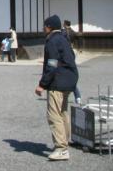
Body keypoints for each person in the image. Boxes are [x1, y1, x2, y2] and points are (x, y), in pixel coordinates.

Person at [35, 15, 78, 161]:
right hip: (70, 79)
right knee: (63, 112)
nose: (43, 28)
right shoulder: (64, 38)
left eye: (44, 25)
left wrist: (42, 84)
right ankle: (65, 140)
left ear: (49, 27)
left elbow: (52, 63)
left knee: (54, 115)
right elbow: (71, 57)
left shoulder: (52, 41)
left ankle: (61, 148)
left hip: (58, 81)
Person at [62, 23, 82, 104]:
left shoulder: (63, 32)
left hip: (65, 53)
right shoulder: (72, 31)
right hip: (71, 49)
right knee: (70, 78)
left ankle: (67, 96)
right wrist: (79, 47)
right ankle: (77, 97)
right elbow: (79, 37)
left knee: (66, 78)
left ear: (65, 24)